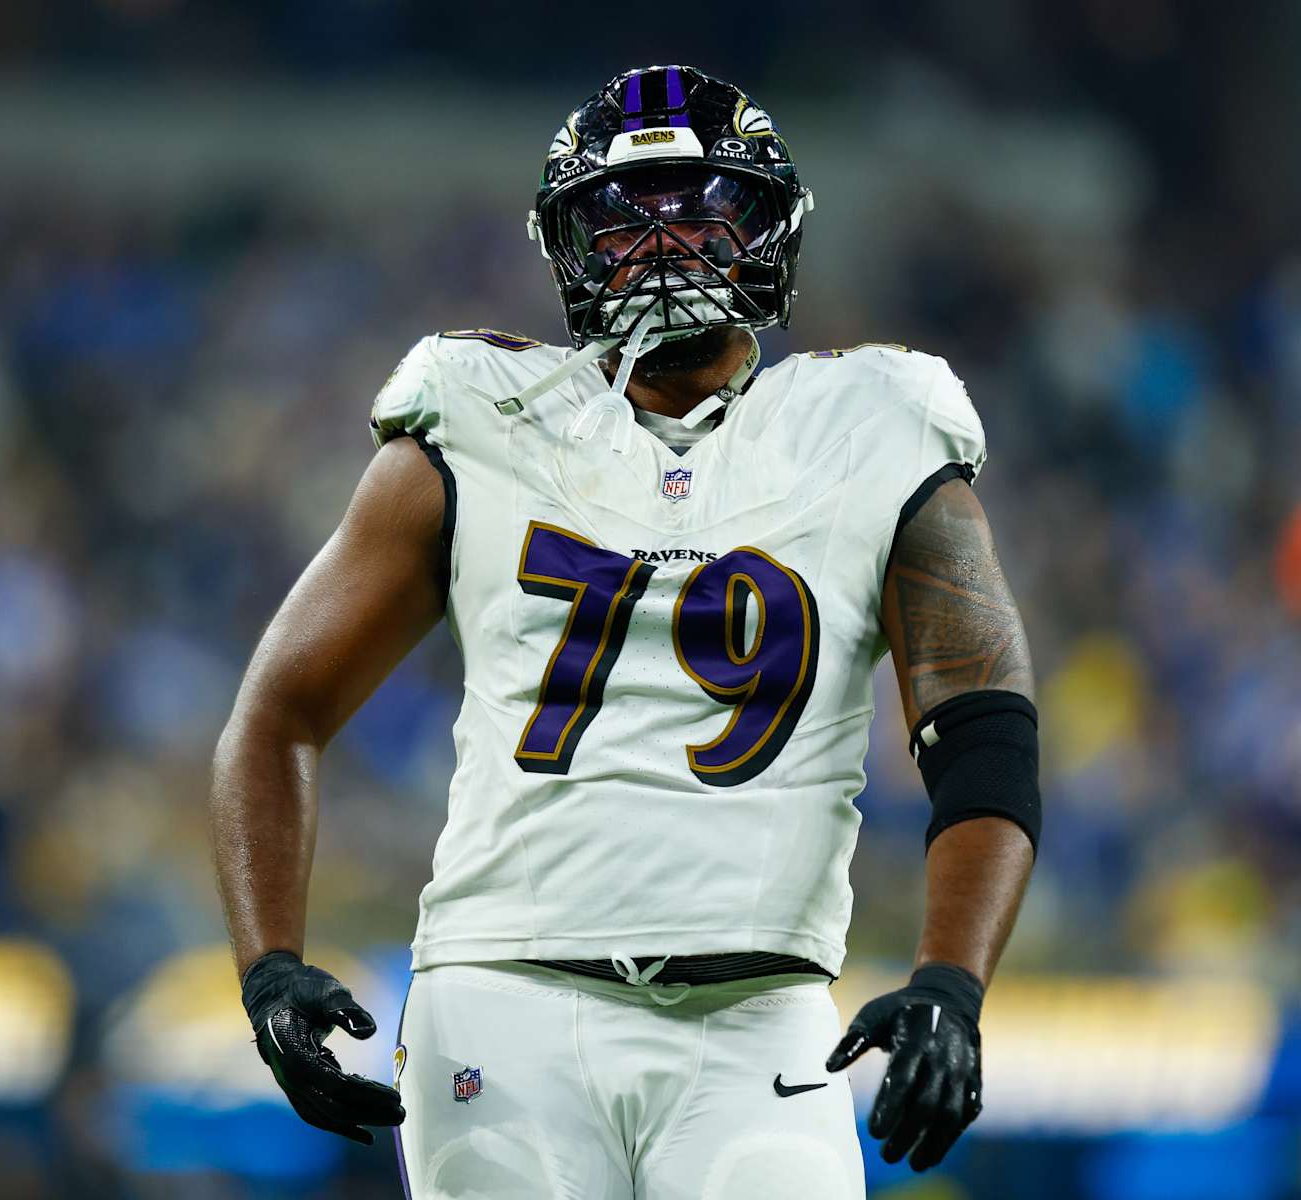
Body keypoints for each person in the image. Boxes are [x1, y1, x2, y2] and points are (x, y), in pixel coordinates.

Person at [209, 65, 1039, 1199]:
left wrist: (953, 979)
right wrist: (269, 966)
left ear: (770, 227)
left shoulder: (881, 425)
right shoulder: (479, 413)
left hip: (761, 1016)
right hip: (505, 1002)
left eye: (700, 205)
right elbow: (278, 714)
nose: (663, 240)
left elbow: (987, 739)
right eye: (625, 212)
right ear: (566, 244)